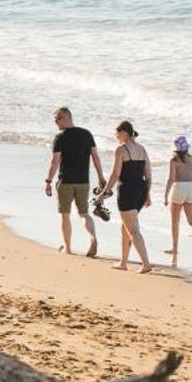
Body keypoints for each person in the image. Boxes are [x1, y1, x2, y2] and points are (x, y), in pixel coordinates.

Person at [45, 106, 105, 257]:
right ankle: (93, 237)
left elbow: (55, 161)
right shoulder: (86, 134)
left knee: (65, 214)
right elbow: (95, 157)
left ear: (67, 117)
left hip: (66, 181)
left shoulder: (60, 137)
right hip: (83, 181)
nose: (56, 122)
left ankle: (68, 248)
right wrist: (100, 177)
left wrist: (48, 181)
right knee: (84, 213)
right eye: (55, 119)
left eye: (58, 118)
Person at [104, 119, 153, 272]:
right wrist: (147, 194)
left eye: (117, 133)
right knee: (126, 227)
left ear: (124, 133)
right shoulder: (142, 149)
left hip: (127, 191)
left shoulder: (121, 150)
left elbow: (115, 174)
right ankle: (123, 262)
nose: (116, 136)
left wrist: (104, 193)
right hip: (141, 190)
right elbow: (148, 175)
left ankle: (146, 264)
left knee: (133, 230)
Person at [164, 134, 192, 266]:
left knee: (175, 221)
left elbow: (171, 179)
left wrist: (166, 195)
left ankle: (175, 249)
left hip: (179, 187)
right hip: (190, 188)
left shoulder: (174, 160)